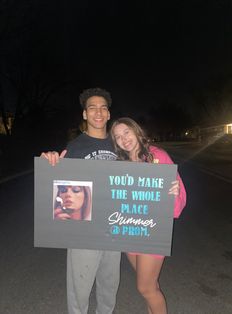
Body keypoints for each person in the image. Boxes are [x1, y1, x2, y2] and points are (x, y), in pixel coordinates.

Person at [41, 88, 121, 314]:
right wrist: (51, 164)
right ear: (85, 115)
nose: (98, 112)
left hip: (113, 229)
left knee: (109, 287)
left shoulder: (120, 146)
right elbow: (59, 189)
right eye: (92, 108)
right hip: (83, 231)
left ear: (108, 114)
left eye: (103, 108)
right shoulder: (75, 147)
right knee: (80, 290)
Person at [110, 117, 186, 314]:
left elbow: (177, 205)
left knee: (145, 287)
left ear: (136, 131)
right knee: (149, 287)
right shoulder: (119, 164)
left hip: (152, 231)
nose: (123, 138)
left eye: (126, 132)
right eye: (118, 137)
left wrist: (174, 192)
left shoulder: (157, 156)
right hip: (130, 231)